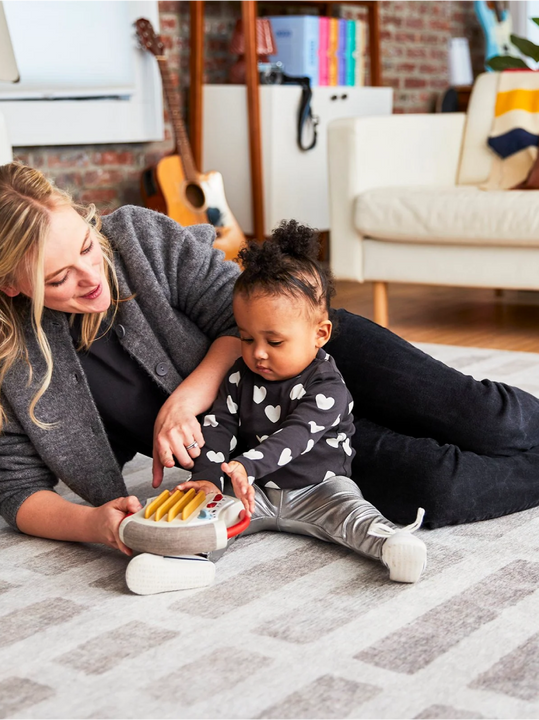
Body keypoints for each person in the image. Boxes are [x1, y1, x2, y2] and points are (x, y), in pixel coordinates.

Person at [0, 162, 539, 596]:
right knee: (439, 490)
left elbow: (243, 306)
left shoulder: (135, 238)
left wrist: (190, 394)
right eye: (58, 278)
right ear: (5, 283)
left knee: (489, 422)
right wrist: (95, 526)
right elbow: (15, 489)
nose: (91, 275)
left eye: (85, 246)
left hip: (305, 349)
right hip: (266, 449)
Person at [175, 221, 427, 583]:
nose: (257, 353)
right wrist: (208, 479)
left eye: (274, 342)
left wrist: (246, 465)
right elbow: (219, 426)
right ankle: (184, 560)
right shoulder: (237, 376)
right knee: (205, 512)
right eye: (246, 338)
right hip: (254, 491)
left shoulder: (328, 386)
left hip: (319, 488)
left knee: (353, 514)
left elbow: (297, 435)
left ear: (319, 334)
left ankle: (393, 546)